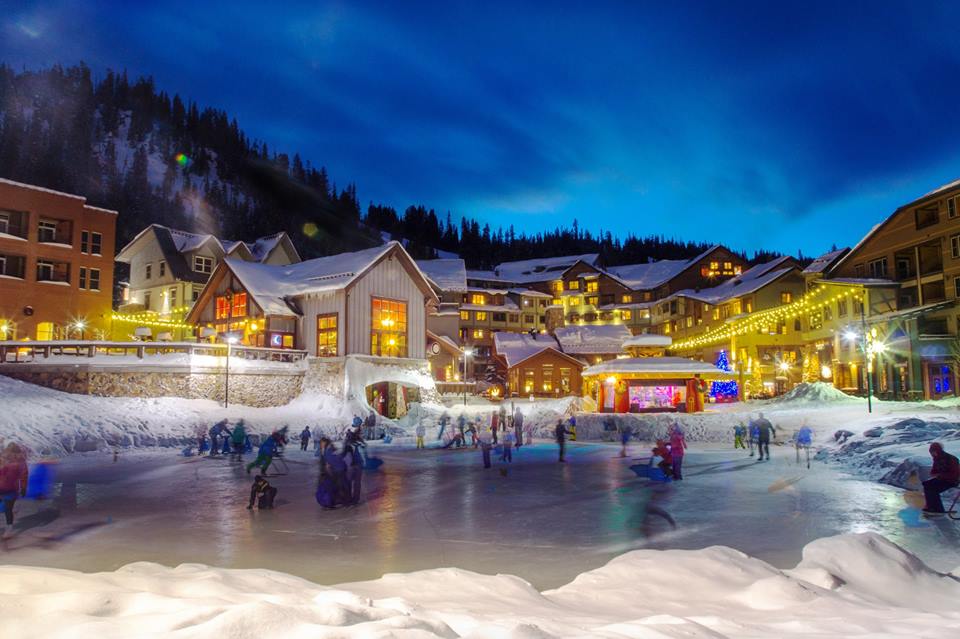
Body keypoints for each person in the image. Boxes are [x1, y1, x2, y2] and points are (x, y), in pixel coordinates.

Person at [922, 442, 959, 515]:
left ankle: (938, 509)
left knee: (933, 489)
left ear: (938, 451)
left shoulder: (951, 459)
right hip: (942, 479)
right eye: (931, 452)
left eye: (933, 452)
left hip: (952, 480)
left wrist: (941, 475)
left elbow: (955, 473)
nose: (932, 454)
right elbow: (935, 470)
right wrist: (934, 473)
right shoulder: (937, 459)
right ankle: (931, 506)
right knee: (926, 484)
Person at [0, 443, 28, 533]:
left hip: (10, 488)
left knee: (8, 508)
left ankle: (9, 527)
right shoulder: (3, 458)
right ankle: (9, 527)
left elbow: (24, 475)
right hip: (5, 487)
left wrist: (23, 487)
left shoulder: (20, 462)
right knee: (7, 508)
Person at [343, 439, 364, 505]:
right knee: (356, 483)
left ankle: (349, 499)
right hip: (357, 466)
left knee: (349, 483)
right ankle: (355, 499)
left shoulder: (348, 449)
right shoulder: (358, 448)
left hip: (353, 467)